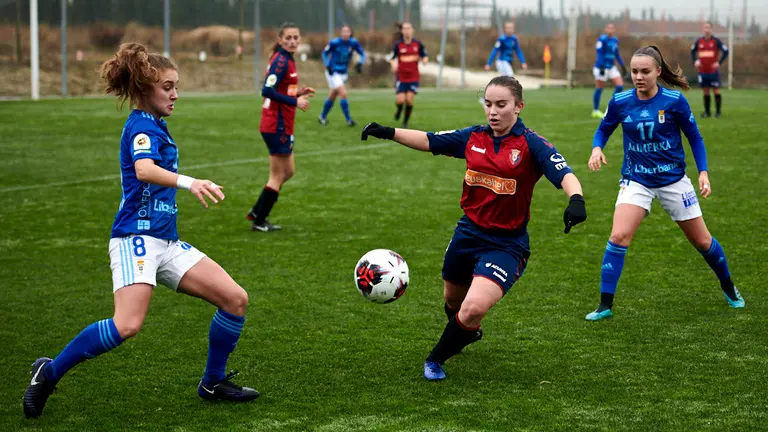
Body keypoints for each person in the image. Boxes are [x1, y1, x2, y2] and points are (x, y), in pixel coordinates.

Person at [22, 42, 259, 419]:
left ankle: (212, 382)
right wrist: (190, 181)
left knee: (235, 299)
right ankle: (47, 373)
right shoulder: (141, 126)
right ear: (145, 87)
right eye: (168, 86)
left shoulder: (157, 125)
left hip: (165, 241)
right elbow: (144, 170)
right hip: (136, 238)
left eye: (176, 86)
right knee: (127, 325)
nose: (175, 94)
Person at [361, 76, 587, 381]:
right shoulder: (473, 138)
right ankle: (465, 333)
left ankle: (435, 359)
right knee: (453, 301)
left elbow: (565, 173)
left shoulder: (531, 144)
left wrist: (576, 199)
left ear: (519, 107)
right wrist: (388, 132)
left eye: (501, 105)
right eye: (488, 104)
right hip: (467, 234)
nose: (493, 111)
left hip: (507, 244)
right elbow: (430, 140)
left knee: (471, 309)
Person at [585, 45, 744, 322]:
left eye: (645, 71)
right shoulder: (621, 101)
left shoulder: (674, 101)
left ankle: (729, 288)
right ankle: (604, 305)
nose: (638, 76)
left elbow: (695, 137)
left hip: (673, 180)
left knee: (703, 241)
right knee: (618, 237)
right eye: (634, 71)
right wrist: (597, 148)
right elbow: (603, 129)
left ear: (658, 72)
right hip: (636, 179)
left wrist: (703, 172)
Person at [247, 22, 314, 232]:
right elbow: (267, 90)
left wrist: (297, 93)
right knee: (278, 175)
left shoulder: (287, 59)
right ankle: (259, 220)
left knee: (288, 172)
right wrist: (295, 102)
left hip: (282, 124)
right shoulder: (281, 61)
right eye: (288, 38)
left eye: (296, 37)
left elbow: (281, 90)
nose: (293, 41)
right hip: (276, 125)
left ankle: (258, 211)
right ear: (280, 40)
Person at [318, 25, 366, 127]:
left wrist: (360, 63)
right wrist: (327, 65)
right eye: (343, 31)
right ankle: (349, 120)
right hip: (333, 72)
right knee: (343, 94)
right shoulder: (334, 42)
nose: (345, 33)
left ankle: (322, 117)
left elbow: (362, 54)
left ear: (350, 33)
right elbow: (324, 53)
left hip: (343, 73)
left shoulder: (353, 43)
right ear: (340, 33)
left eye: (347, 31)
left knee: (333, 95)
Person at [390, 22, 428, 128]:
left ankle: (405, 122)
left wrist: (425, 60)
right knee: (400, 100)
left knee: (409, 100)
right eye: (404, 29)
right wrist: (393, 65)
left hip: (413, 77)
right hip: (401, 77)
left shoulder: (417, 44)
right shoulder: (398, 44)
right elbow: (392, 58)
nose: (406, 30)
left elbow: (425, 55)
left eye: (408, 28)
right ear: (402, 31)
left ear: (412, 30)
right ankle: (399, 109)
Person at [691, 22, 729, 118]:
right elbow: (692, 50)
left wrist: (719, 63)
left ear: (711, 29)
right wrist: (695, 61)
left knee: (716, 90)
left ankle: (718, 112)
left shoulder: (716, 41)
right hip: (703, 71)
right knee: (705, 91)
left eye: (708, 28)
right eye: (705, 28)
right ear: (703, 30)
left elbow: (726, 51)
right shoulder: (699, 41)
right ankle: (707, 112)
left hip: (713, 71)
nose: (706, 30)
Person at [592, 23, 626, 119]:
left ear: (614, 30)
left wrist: (622, 65)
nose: (610, 29)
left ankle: (612, 107)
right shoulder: (602, 39)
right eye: (608, 28)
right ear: (605, 29)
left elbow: (617, 54)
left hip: (611, 67)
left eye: (612, 28)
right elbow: (599, 53)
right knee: (599, 88)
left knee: (620, 86)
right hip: (601, 67)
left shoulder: (615, 40)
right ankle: (595, 110)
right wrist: (602, 66)